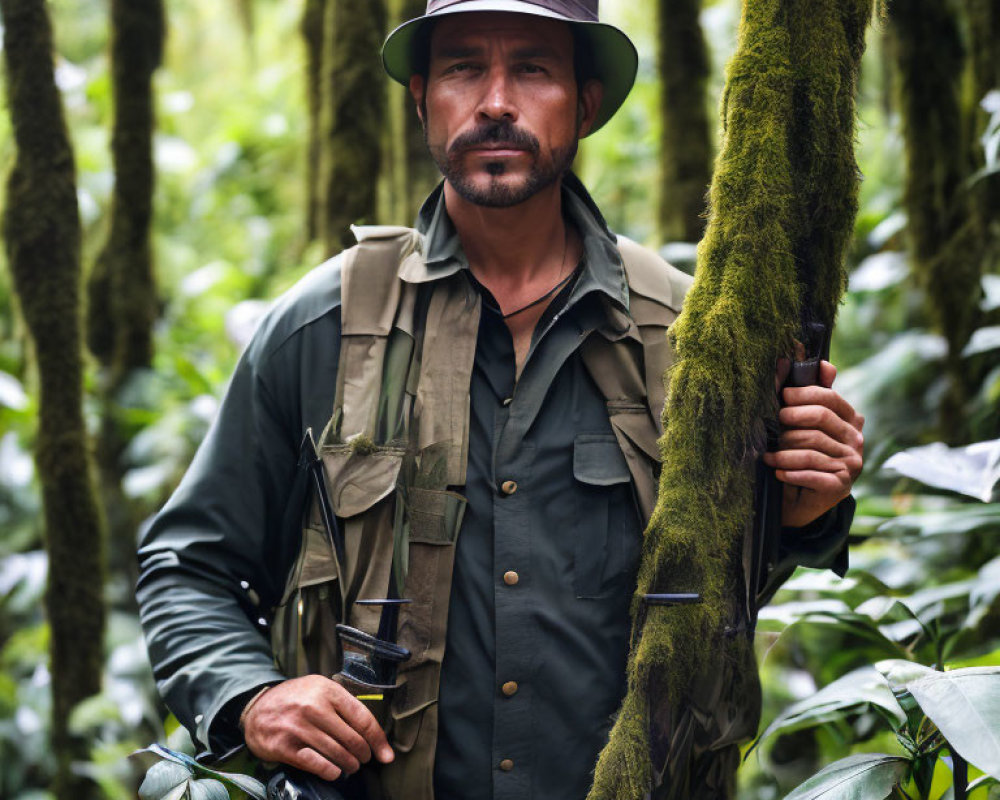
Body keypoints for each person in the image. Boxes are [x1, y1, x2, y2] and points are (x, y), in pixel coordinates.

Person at [136, 2, 865, 799]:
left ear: (584, 103)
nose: (494, 101)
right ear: (421, 98)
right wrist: (250, 697)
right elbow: (188, 565)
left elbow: (724, 589)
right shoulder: (323, 328)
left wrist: (804, 507)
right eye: (461, 68)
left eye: (532, 67)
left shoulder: (690, 337)